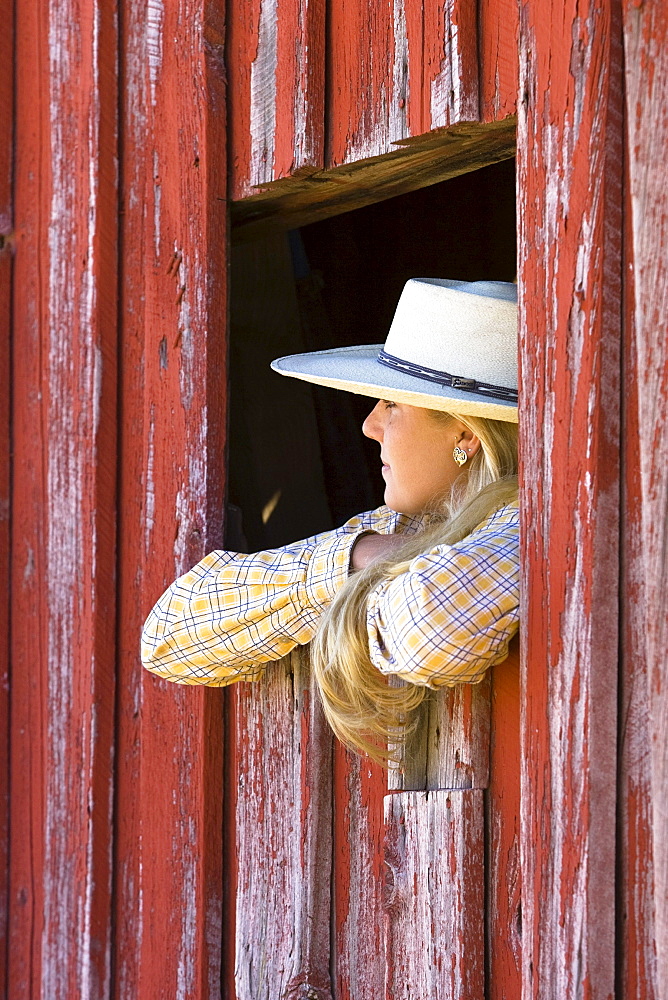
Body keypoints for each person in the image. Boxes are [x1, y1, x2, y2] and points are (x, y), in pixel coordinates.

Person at [141, 278, 519, 764]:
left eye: (392, 404)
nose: (369, 425)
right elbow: (169, 635)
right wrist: (358, 555)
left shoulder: (521, 528)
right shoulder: (395, 526)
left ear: (465, 434)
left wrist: (383, 569)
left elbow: (426, 632)